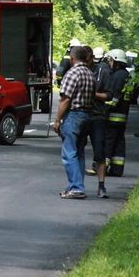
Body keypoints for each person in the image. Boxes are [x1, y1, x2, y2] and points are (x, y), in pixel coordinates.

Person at [53, 45, 95, 199]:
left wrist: (57, 120)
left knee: (69, 153)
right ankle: (76, 185)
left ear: (72, 58)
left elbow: (65, 99)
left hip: (74, 116)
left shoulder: (73, 73)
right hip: (87, 115)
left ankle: (76, 188)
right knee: (80, 153)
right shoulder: (90, 73)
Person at [84, 46, 113, 198]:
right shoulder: (77, 71)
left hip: (97, 116)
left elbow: (109, 95)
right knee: (75, 151)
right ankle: (76, 185)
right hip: (80, 115)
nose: (86, 62)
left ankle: (101, 186)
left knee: (100, 152)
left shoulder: (102, 71)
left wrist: (93, 94)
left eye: (88, 58)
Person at [104, 49, 133, 177]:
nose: (109, 63)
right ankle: (117, 169)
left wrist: (103, 109)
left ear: (116, 61)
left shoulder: (117, 76)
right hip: (123, 114)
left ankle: (102, 167)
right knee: (119, 142)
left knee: (108, 141)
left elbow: (114, 98)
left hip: (113, 115)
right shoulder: (126, 75)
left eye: (110, 60)